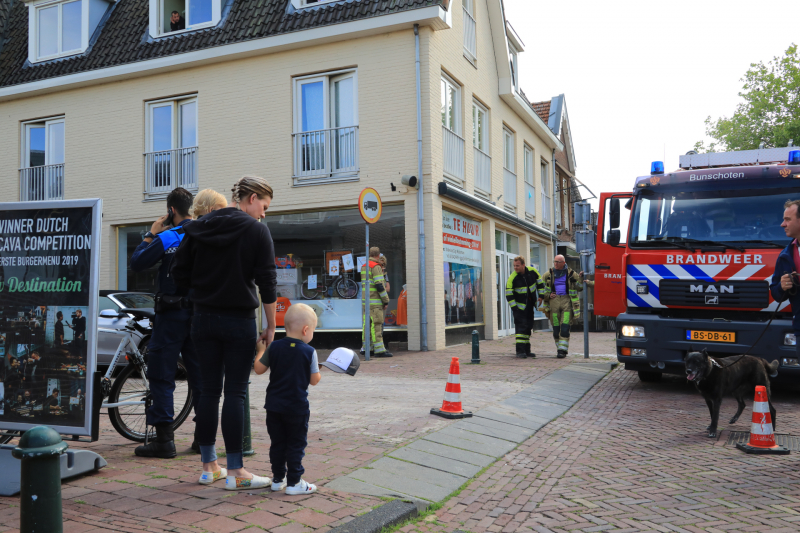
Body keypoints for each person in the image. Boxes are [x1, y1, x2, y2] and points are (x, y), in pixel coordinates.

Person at [173, 176, 277, 490]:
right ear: (252, 197)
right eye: (264, 206)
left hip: (202, 320)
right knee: (234, 392)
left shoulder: (198, 227)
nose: (264, 214)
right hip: (239, 321)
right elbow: (267, 283)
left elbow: (178, 272)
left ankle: (208, 467)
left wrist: (198, 294)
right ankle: (236, 472)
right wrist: (271, 326)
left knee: (207, 392)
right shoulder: (257, 231)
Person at [130, 187, 201, 458]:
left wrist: (151, 233)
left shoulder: (169, 236)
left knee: (161, 375)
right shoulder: (205, 233)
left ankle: (164, 441)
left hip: (171, 316)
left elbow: (137, 263)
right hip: (199, 316)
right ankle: (201, 439)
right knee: (202, 377)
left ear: (171, 211)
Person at [253, 303, 321, 495]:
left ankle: (277, 479)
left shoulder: (274, 347)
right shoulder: (309, 351)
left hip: (274, 407)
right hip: (297, 408)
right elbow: (314, 380)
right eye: (313, 330)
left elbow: (258, 369)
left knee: (278, 443)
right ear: (306, 329)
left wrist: (260, 350)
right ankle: (294, 482)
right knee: (296, 444)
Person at [771, 199, 800, 362]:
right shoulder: (785, 255)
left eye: (788, 219)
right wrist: (782, 287)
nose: (783, 224)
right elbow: (775, 294)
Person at [541, 255, 582, 358]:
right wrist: (548, 295)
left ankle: (562, 351)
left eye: (558, 262)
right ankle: (559, 347)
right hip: (553, 303)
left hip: (567, 302)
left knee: (564, 327)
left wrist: (581, 279)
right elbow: (540, 288)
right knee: (556, 329)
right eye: (555, 261)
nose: (556, 264)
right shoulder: (548, 274)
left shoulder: (571, 274)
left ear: (564, 263)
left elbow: (580, 287)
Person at [505, 256, 545, 358]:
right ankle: (520, 351)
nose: (515, 268)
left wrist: (541, 296)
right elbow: (509, 295)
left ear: (523, 265)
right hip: (519, 308)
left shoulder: (533, 271)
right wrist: (515, 309)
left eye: (517, 266)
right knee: (520, 329)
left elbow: (540, 283)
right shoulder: (512, 278)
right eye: (514, 266)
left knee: (528, 328)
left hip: (530, 306)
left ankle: (527, 351)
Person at [360, 247, 391, 357]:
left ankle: (367, 348)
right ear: (378, 255)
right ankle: (379, 350)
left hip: (366, 302)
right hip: (375, 302)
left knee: (366, 325)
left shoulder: (364, 267)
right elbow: (379, 285)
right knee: (376, 325)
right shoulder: (375, 266)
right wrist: (386, 300)